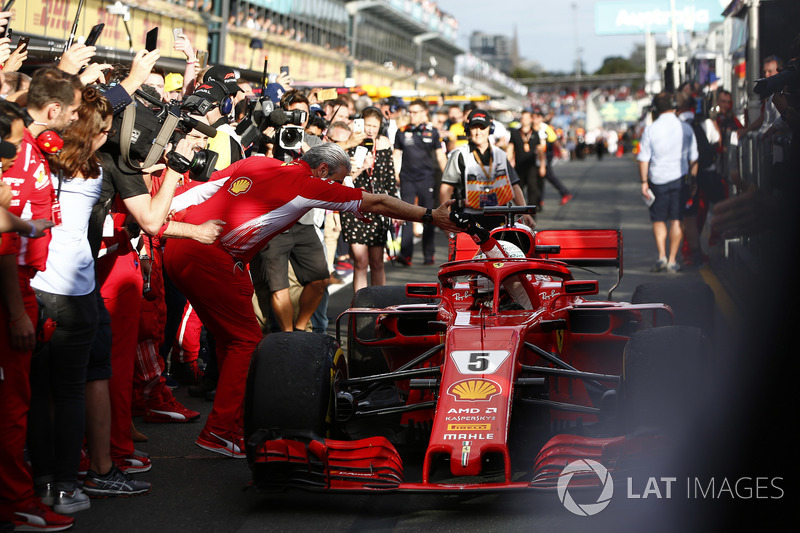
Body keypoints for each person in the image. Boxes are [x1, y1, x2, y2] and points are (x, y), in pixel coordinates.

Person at [163, 143, 461, 458]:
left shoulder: (257, 162)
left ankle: (230, 423)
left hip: (182, 243)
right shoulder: (307, 186)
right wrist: (431, 216)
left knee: (229, 339)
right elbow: (378, 202)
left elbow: (200, 191)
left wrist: (160, 223)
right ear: (321, 170)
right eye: (337, 180)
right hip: (213, 257)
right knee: (245, 342)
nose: (337, 188)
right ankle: (220, 431)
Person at [0, 68, 82, 532]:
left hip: (27, 286)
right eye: (71, 111)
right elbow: (3, 243)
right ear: (54, 111)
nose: (74, 119)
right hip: (14, 292)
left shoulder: (31, 145)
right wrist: (16, 310)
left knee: (20, 403)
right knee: (13, 409)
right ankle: (15, 502)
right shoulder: (13, 149)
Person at [27, 87, 112, 515]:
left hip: (36, 284)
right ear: (91, 134)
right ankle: (64, 486)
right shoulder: (93, 173)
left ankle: (40, 481)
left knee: (39, 392)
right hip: (75, 291)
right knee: (69, 392)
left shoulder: (40, 162)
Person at [439, 108, 535, 230]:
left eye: (482, 127)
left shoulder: (500, 154)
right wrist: (447, 219)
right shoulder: (459, 155)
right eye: (474, 128)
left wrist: (525, 213)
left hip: (499, 217)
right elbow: (446, 189)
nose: (478, 132)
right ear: (468, 129)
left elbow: (514, 186)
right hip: (468, 218)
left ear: (491, 129)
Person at [637, 92, 698, 273]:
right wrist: (693, 181)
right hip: (680, 179)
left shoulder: (651, 129)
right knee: (677, 219)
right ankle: (672, 259)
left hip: (658, 179)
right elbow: (694, 158)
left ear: (655, 109)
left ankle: (661, 255)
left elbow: (644, 159)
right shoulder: (686, 128)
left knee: (658, 219)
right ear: (674, 106)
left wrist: (643, 182)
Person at [341, 107, 398, 292]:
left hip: (378, 207)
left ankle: (378, 306)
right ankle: (360, 307)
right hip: (354, 205)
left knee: (377, 262)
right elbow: (342, 180)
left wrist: (397, 209)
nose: (371, 130)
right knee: (360, 261)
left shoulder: (384, 143)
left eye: (375, 126)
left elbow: (390, 180)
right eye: (368, 125)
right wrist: (361, 168)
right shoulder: (350, 143)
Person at [393, 99, 447, 266]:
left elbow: (440, 156)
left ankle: (428, 254)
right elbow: (396, 155)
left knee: (429, 216)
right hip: (407, 178)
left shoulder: (433, 132)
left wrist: (448, 177)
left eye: (415, 112)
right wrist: (395, 174)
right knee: (406, 215)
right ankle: (405, 254)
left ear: (425, 113)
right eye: (410, 112)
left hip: (427, 179)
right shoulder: (402, 132)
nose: (412, 115)